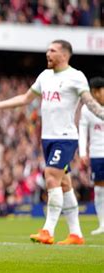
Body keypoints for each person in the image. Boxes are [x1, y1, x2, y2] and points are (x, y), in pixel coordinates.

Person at [0, 40, 104, 245]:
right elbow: (25, 99)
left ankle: (47, 230)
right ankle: (76, 234)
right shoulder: (45, 76)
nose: (47, 53)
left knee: (51, 176)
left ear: (64, 55)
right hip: (47, 138)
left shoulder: (76, 76)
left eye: (52, 50)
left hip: (65, 138)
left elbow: (90, 102)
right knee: (64, 184)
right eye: (47, 50)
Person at [79, 77, 104, 235]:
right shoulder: (86, 109)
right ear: (95, 92)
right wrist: (82, 152)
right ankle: (102, 224)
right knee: (100, 190)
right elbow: (82, 131)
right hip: (97, 154)